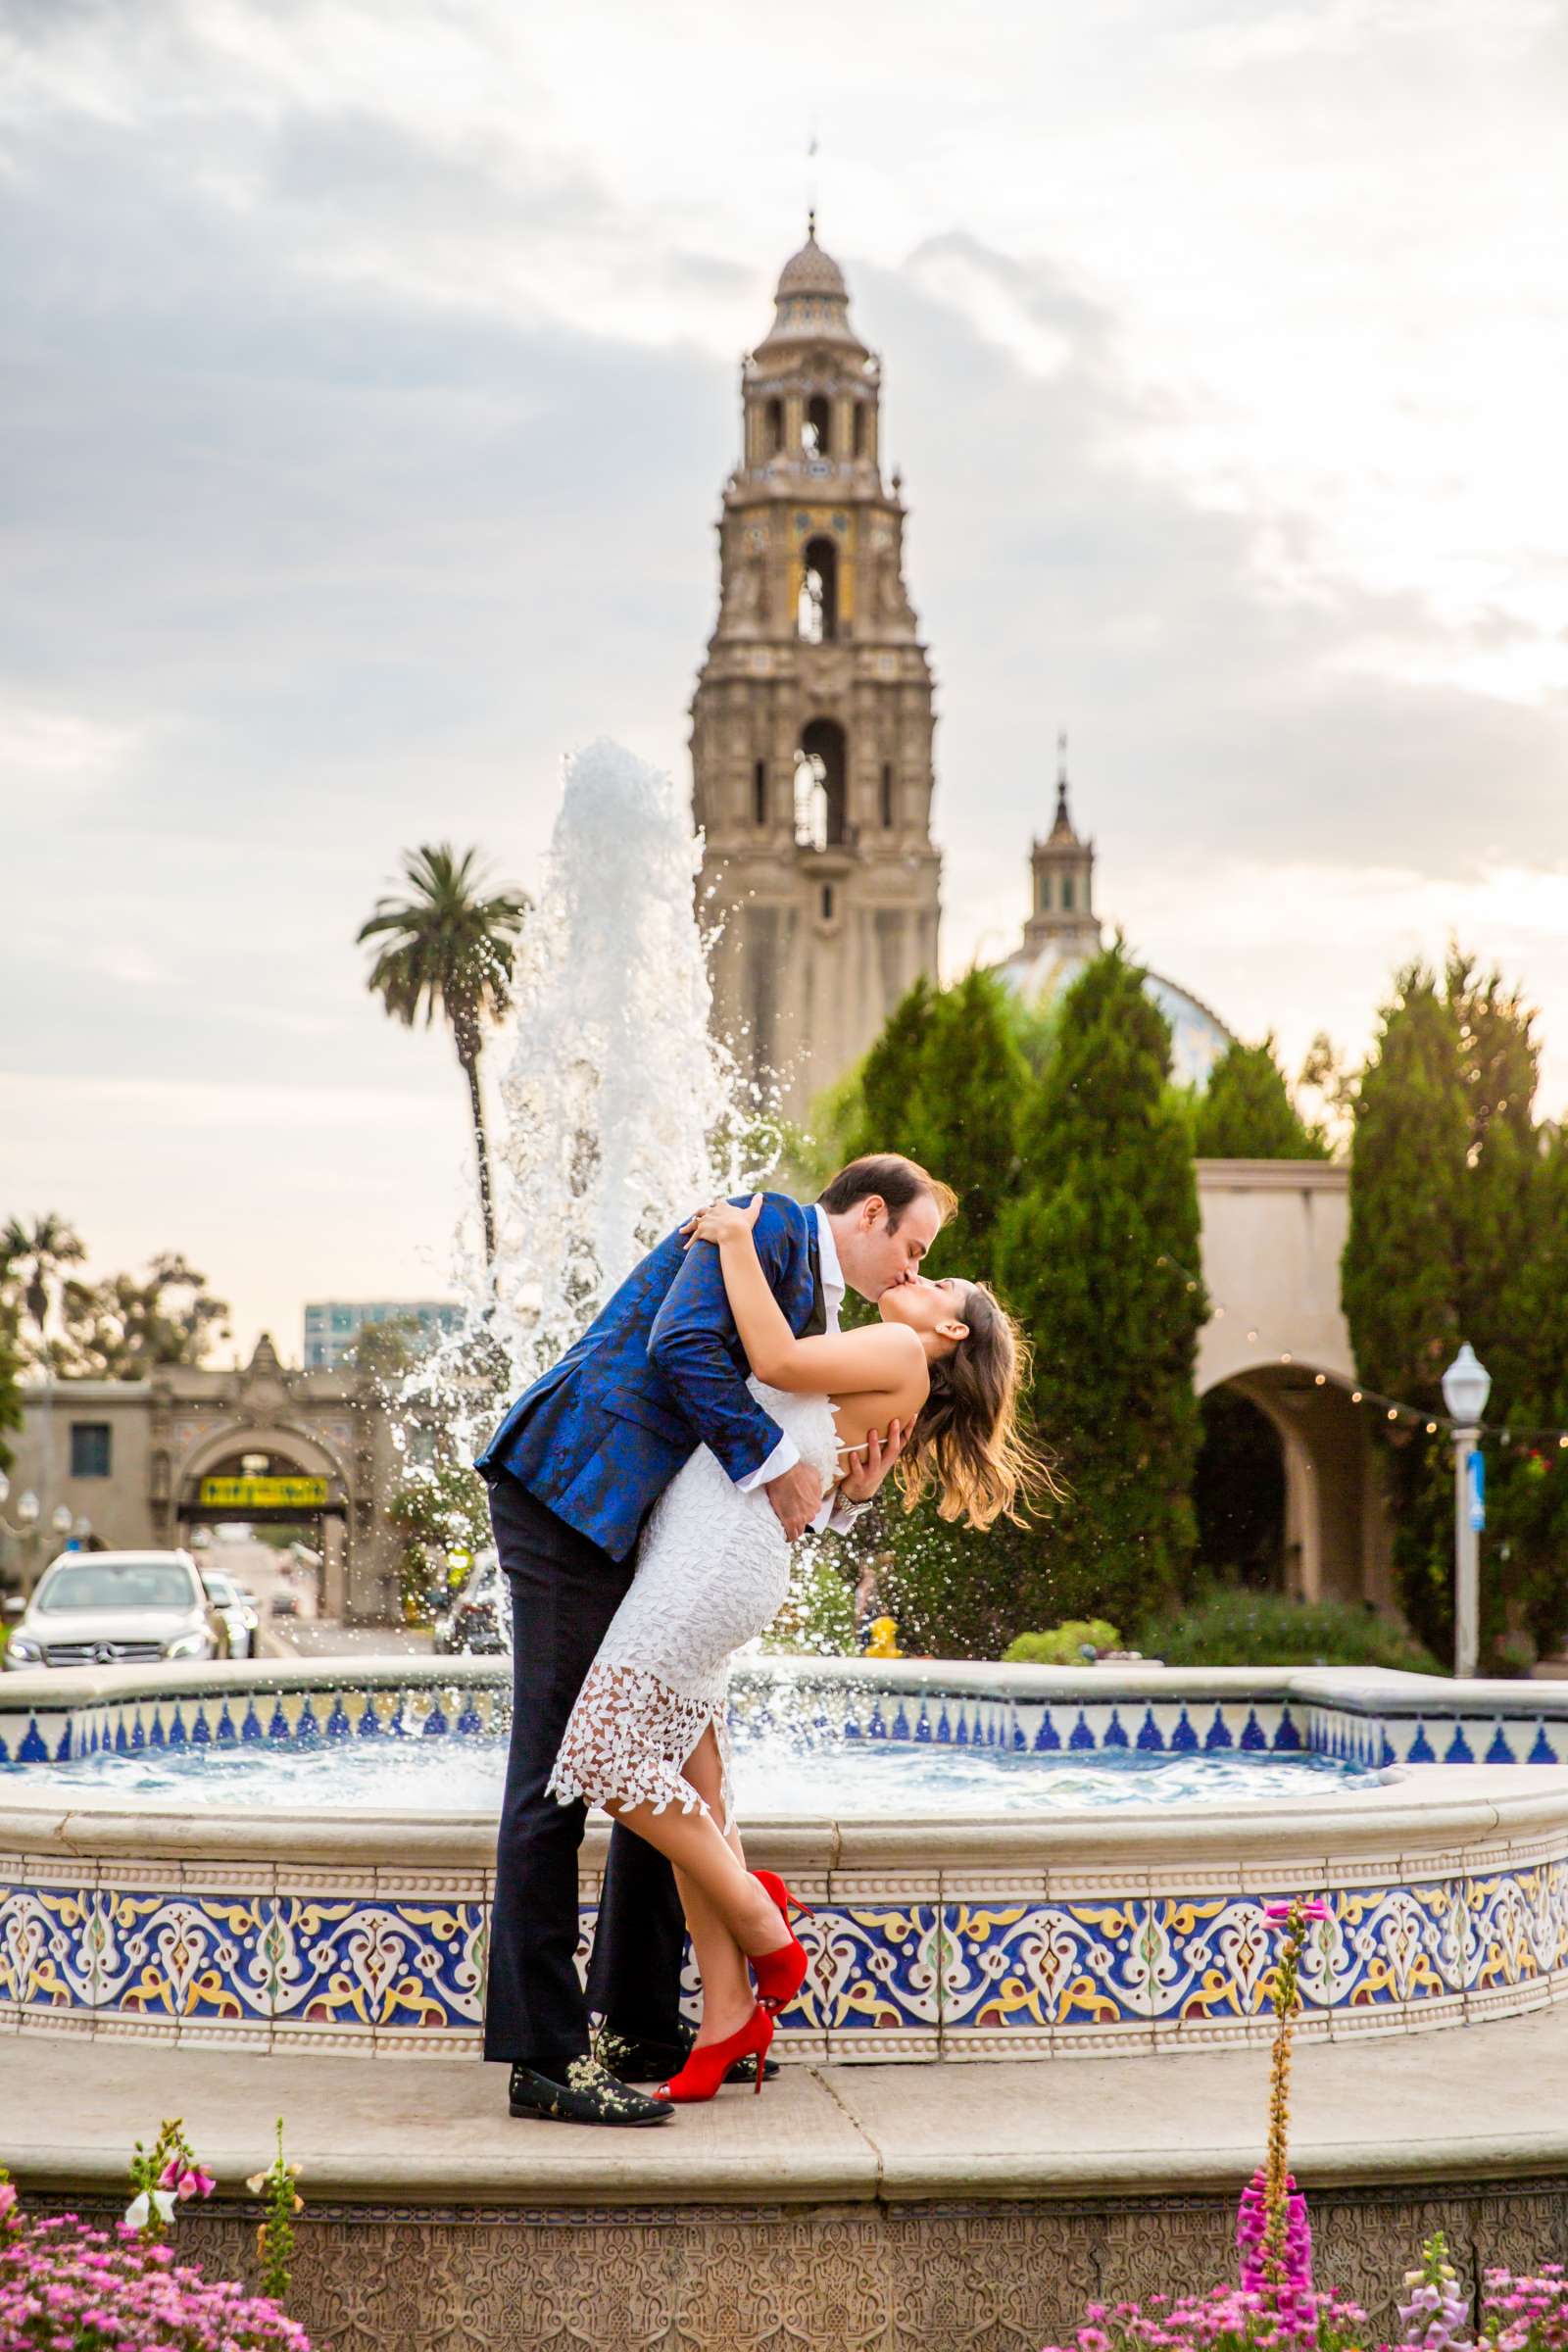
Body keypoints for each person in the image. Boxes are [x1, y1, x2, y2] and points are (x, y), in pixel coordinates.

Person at [475, 1153, 954, 2127]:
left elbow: (763, 1475)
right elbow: (679, 1346)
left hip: (633, 1517)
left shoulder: (809, 1300)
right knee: (553, 1771)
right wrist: (775, 1459)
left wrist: (840, 1491)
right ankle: (545, 2058)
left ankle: (643, 2025)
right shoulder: (768, 1225)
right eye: (908, 1248)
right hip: (570, 1491)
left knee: (658, 1756)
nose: (907, 1273)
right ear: (867, 1213)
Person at [547, 1190, 1048, 2105]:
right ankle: (728, 2016)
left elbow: (771, 1359)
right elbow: (813, 1474)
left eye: (939, 1277)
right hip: (711, 1546)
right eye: (921, 1252)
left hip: (714, 1558)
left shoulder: (900, 1348)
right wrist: (851, 1497)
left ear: (949, 1330)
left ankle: (758, 1918)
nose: (917, 1273)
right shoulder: (886, 1359)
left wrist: (736, 1236)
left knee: (600, 1755)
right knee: (697, 1786)